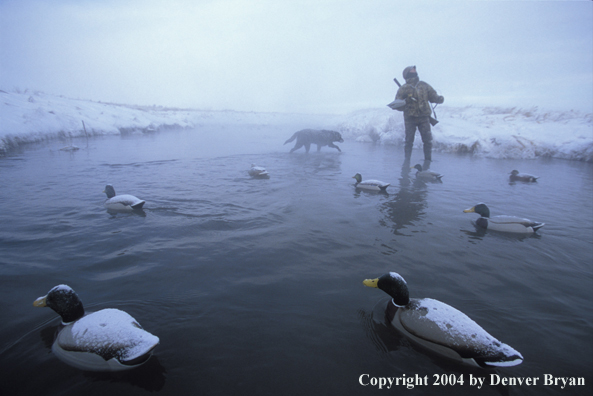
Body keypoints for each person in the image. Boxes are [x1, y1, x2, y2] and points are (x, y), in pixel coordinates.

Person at [395, 66, 444, 162]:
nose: (415, 71)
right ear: (407, 73)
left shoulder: (424, 85)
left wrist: (439, 99)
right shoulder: (403, 89)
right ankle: (407, 161)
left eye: (415, 70)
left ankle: (428, 160)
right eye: (412, 70)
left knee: (428, 141)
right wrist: (403, 100)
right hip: (410, 118)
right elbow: (397, 106)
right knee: (409, 141)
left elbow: (433, 97)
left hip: (424, 117)